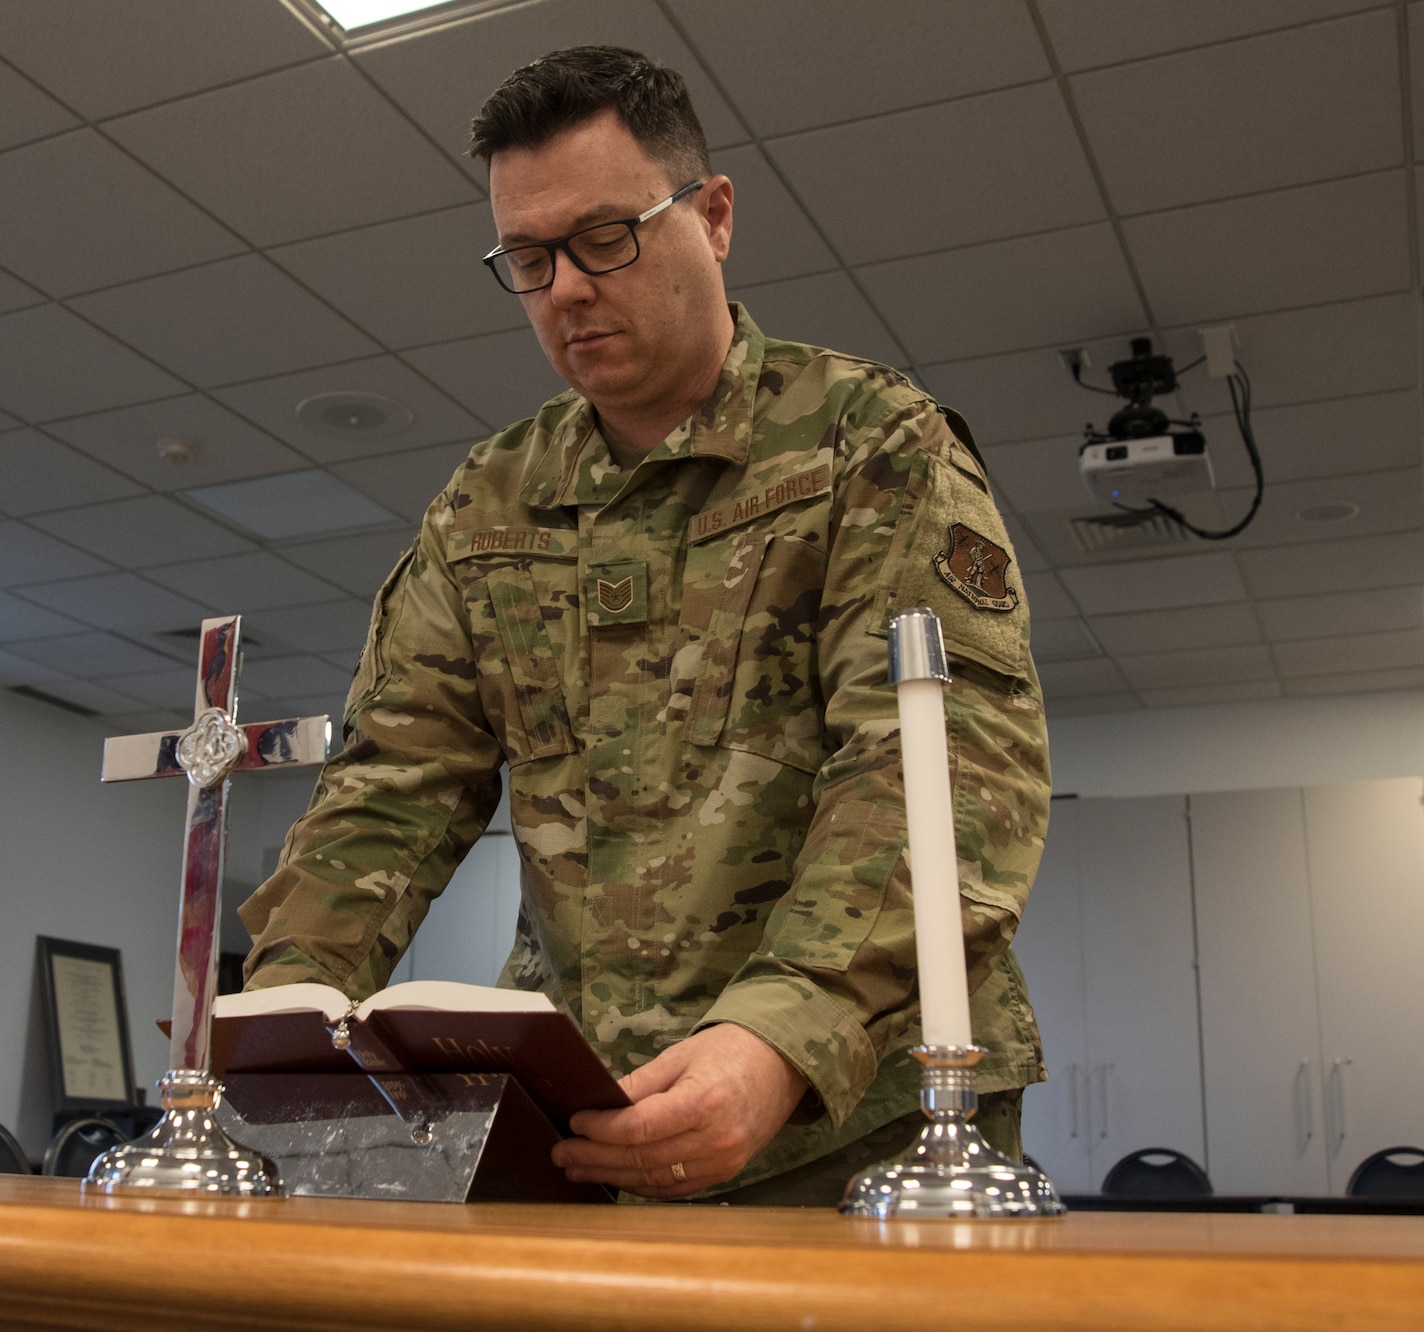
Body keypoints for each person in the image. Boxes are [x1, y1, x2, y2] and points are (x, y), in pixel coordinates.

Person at [238, 45, 1049, 1205]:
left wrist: (779, 1039)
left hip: (857, 1130)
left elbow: (941, 773)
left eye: (604, 237)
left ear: (712, 218)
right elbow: (392, 787)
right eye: (526, 258)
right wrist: (277, 1023)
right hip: (584, 1122)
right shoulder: (489, 504)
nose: (565, 287)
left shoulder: (869, 447)